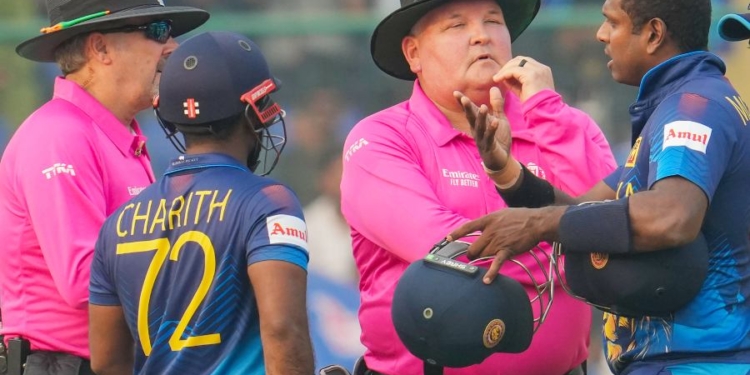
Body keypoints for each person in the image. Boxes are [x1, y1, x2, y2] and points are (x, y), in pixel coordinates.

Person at [448, 0, 750, 374]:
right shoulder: (673, 104)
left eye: (612, 23)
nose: (601, 34)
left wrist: (538, 224)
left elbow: (672, 216)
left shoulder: (695, 106)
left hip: (702, 363)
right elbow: (583, 211)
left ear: (654, 34)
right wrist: (505, 169)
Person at [339, 0, 617, 374]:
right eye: (456, 26)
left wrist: (548, 111)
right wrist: (586, 253)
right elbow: (452, 259)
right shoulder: (380, 139)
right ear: (414, 52)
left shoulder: (563, 122)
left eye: (493, 21)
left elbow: (616, 226)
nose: (481, 36)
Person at [88, 31, 314, 375]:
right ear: (254, 112)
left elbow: (106, 362)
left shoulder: (117, 223)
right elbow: (284, 330)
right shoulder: (269, 203)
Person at [0, 1, 208, 374]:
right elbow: (84, 280)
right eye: (158, 31)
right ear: (99, 48)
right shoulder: (59, 135)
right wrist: (205, 259)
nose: (173, 46)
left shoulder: (114, 135)